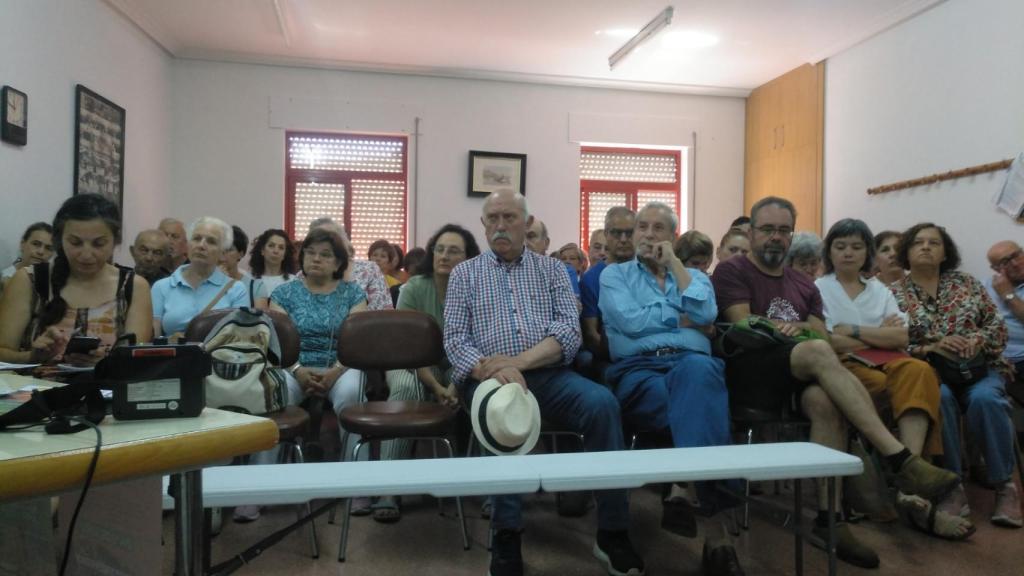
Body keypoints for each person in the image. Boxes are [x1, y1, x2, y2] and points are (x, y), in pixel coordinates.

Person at [711, 197, 959, 569]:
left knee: (827, 403)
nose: (775, 238)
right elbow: (744, 324)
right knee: (814, 351)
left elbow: (822, 333)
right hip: (751, 372)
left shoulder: (802, 283)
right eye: (767, 229)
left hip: (800, 372)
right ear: (751, 232)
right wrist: (792, 330)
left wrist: (805, 333)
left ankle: (830, 520)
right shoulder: (732, 271)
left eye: (783, 230)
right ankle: (898, 457)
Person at [445, 189, 644, 576]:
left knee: (602, 404)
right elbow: (454, 340)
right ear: (483, 226)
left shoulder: (553, 271)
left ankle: (612, 532)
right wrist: (492, 370)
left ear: (527, 223)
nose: (501, 226)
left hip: (548, 375)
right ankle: (507, 534)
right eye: (493, 219)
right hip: (489, 379)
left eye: (510, 218)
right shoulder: (464, 274)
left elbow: (569, 333)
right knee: (501, 415)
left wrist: (518, 363)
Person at [600, 202, 743, 575]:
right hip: (641, 373)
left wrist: (677, 268)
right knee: (702, 399)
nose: (648, 234)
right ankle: (715, 524)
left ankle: (691, 493)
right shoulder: (614, 276)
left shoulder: (695, 277)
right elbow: (630, 323)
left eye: (658, 228)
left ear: (673, 237)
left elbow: (707, 316)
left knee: (698, 374)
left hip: (692, 367)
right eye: (641, 227)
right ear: (632, 236)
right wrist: (681, 317)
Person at [815, 219, 966, 538]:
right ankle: (912, 476)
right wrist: (878, 335)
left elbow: (901, 338)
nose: (848, 253)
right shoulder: (819, 288)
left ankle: (908, 470)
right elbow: (829, 342)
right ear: (829, 251)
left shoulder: (879, 289)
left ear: (867, 253)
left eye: (856, 247)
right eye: (840, 247)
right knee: (895, 388)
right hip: (846, 366)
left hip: (890, 360)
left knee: (921, 371)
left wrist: (855, 331)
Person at [891, 224, 1020, 529]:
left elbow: (996, 327)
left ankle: (1006, 487)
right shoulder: (893, 294)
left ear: (945, 252)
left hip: (980, 367)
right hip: (933, 372)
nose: (926, 247)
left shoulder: (967, 284)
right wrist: (931, 346)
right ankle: (952, 486)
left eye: (934, 242)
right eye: (918, 243)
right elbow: (893, 341)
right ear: (906, 252)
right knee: (941, 398)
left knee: (986, 399)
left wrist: (976, 340)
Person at [376, 224, 481, 522]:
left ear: (469, 257)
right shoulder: (414, 287)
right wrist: (436, 386)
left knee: (486, 391)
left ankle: (491, 488)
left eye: (454, 251)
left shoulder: (476, 289)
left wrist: (456, 385)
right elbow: (408, 346)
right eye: (440, 249)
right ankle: (388, 487)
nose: (445, 255)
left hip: (460, 364)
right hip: (410, 362)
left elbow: (479, 343)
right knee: (407, 390)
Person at [0, 194, 152, 364]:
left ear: (115, 241)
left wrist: (105, 363)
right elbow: (3, 351)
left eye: (98, 244)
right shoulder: (29, 280)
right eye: (75, 242)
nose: (86, 254)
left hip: (105, 388)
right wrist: (32, 357)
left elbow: (139, 361)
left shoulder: (133, 287)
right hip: (36, 388)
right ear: (60, 240)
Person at [151, 217, 249, 338]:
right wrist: (168, 341)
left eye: (211, 241)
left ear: (223, 253)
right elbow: (152, 338)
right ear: (188, 245)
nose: (201, 245)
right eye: (196, 239)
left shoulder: (236, 289)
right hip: (174, 355)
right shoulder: (162, 287)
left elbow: (240, 338)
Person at [580, 208, 636, 359]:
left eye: (629, 233)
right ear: (606, 234)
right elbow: (592, 335)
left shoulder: (648, 270)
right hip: (614, 357)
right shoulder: (590, 279)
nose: (623, 239)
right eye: (616, 233)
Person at [308, 218, 393, 311]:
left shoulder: (369, 270)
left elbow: (384, 314)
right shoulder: (302, 277)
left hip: (367, 324)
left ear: (344, 241)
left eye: (332, 238)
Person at [984, 240, 1024, 404]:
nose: (1015, 263)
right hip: (1001, 363)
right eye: (1005, 262)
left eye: (1017, 255)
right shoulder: (983, 288)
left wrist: (1008, 295)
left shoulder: (1003, 291)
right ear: (995, 270)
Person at [525, 218, 581, 298]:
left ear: (546, 243)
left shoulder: (562, 270)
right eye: (520, 238)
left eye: (531, 237)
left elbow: (574, 306)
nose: (524, 243)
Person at [249, 228, 297, 308]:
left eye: (281, 248)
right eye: (271, 246)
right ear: (262, 250)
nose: (275, 251)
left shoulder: (294, 282)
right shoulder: (250, 279)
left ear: (285, 254)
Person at [2, 222, 54, 294]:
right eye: (36, 244)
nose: (41, 251)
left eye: (48, 248)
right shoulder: (4, 281)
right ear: (22, 244)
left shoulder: (52, 283)